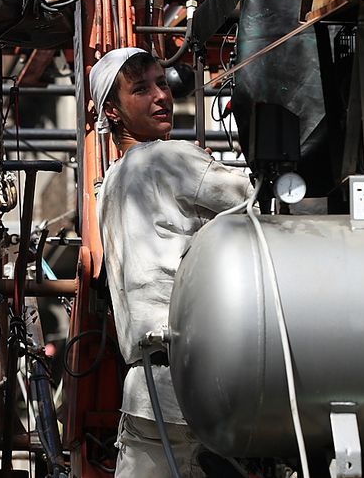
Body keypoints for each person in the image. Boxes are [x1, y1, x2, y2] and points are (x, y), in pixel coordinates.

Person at [89, 47, 252, 478]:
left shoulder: (110, 183)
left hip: (145, 390)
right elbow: (253, 199)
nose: (161, 96)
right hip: (194, 382)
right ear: (113, 111)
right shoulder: (165, 157)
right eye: (141, 89)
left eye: (162, 83)